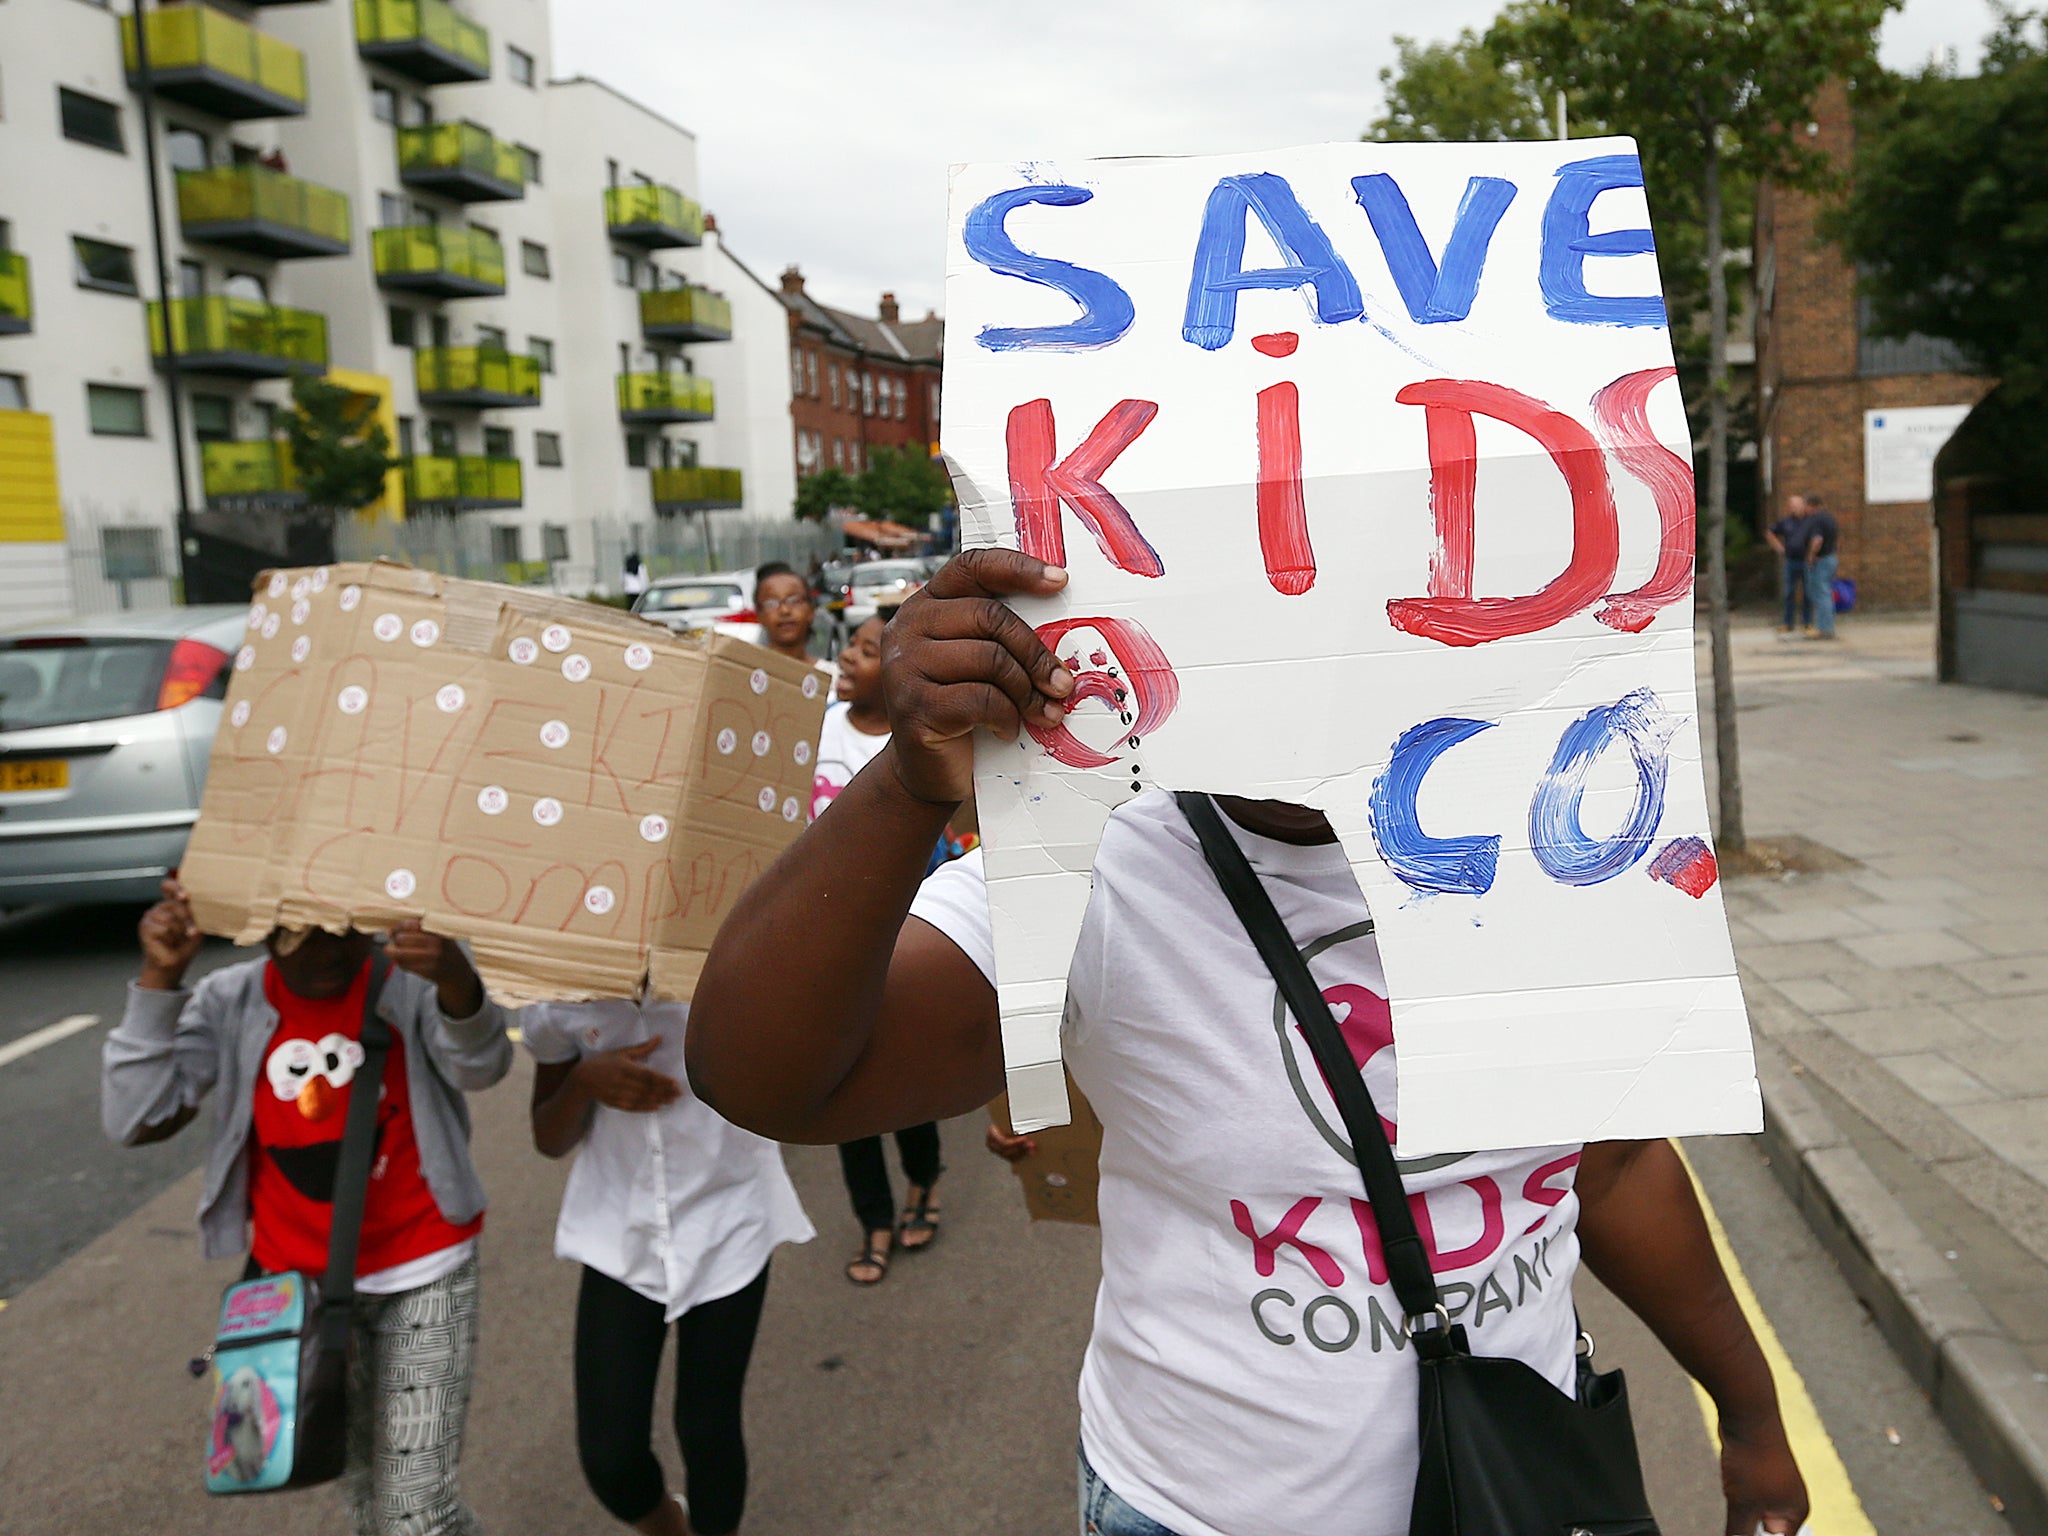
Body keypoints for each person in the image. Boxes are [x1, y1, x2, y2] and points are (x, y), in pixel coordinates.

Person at [684, 550, 1810, 1536]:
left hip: (1524, 1480)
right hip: (1188, 1509)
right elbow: (769, 1079)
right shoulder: (1089, 860)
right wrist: (903, 787)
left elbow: (1606, 1166)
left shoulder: (1558, 824)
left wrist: (1749, 1412)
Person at [103, 880, 511, 1536]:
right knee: (369, 1503)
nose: (329, 949)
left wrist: (457, 984)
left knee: (415, 1510)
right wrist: (160, 978)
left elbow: (484, 1067)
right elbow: (134, 1117)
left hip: (424, 1268)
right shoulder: (229, 1002)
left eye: (345, 927)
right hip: (303, 1296)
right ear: (258, 929)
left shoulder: (408, 984)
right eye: (302, 932)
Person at [519, 994, 814, 1536]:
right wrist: (584, 1082)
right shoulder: (558, 995)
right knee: (610, 1456)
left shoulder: (729, 963)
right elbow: (548, 1138)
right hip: (620, 1234)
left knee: (708, 1428)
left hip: (728, 1218)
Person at [810, 610, 944, 1285]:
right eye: (851, 646)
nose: (848, 659)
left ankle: (924, 1180)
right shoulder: (820, 729)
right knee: (839, 1090)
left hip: (897, 944)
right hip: (824, 945)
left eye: (867, 651)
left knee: (894, 1081)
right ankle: (876, 1222)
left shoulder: (908, 745)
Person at [751, 561, 820, 667]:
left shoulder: (833, 677)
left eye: (794, 600)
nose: (785, 610)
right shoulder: (748, 676)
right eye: (771, 603)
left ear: (811, 610)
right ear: (759, 614)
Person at [1764, 496, 1811, 636]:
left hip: (1806, 561)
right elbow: (1769, 532)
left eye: (1796, 505)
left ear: (1803, 506)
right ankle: (1788, 622)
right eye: (1792, 506)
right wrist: (1779, 548)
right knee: (1789, 593)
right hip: (1791, 560)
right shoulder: (1786, 522)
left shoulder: (1809, 521)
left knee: (1808, 593)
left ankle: (1807, 622)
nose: (1794, 509)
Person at [1802, 497, 1841, 640]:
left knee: (1820, 593)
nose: (1804, 510)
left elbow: (1817, 540)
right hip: (1831, 557)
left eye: (1806, 506)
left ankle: (1824, 629)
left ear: (1811, 506)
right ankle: (1824, 626)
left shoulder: (1816, 519)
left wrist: (1811, 556)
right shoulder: (1830, 518)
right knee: (1824, 593)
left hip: (1821, 560)